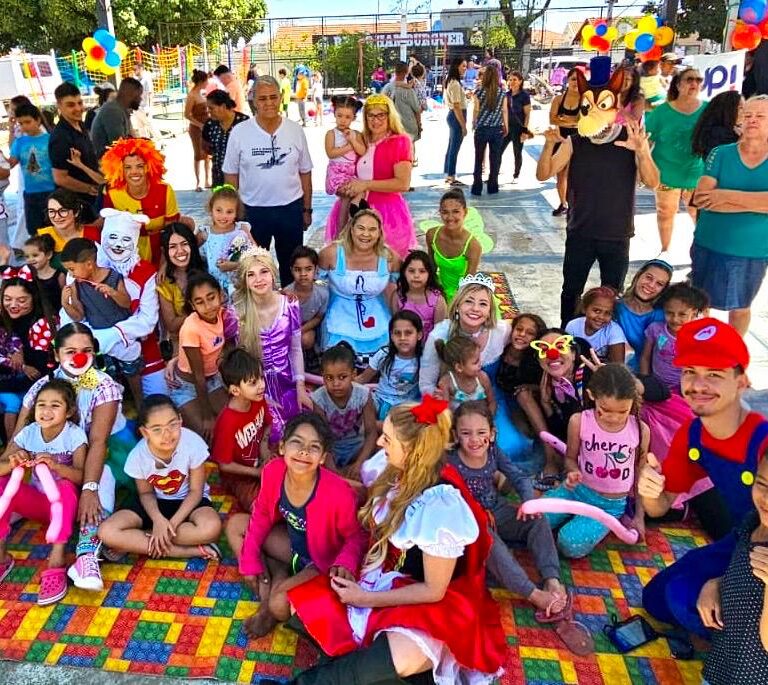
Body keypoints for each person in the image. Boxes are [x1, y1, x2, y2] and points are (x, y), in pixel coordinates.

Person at [286, 398, 507, 685]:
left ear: (412, 450)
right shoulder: (393, 472)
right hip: (381, 575)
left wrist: (365, 599)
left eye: (387, 439)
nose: (379, 442)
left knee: (400, 656)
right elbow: (367, 516)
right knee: (302, 607)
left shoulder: (440, 505)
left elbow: (433, 591)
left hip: (427, 601)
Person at [638, 318, 768, 637]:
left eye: (714, 374)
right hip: (743, 538)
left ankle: (745, 653)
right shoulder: (694, 433)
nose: (698, 385)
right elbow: (659, 507)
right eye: (690, 372)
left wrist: (725, 582)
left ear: (741, 381)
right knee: (656, 598)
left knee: (689, 602)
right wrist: (650, 489)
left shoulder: (763, 439)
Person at [447, 401, 588, 650]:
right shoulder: (449, 461)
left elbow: (518, 477)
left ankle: (552, 578)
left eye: (481, 433)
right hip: (469, 521)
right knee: (490, 544)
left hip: (497, 510)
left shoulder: (493, 452)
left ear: (492, 434)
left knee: (537, 519)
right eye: (466, 433)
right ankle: (533, 594)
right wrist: (477, 515)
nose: (474, 440)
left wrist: (528, 502)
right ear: (456, 435)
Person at [536, 56, 660, 327]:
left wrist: (642, 152)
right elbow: (544, 173)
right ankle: (568, 332)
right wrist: (549, 145)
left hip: (616, 233)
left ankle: (606, 339)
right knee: (571, 290)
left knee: (612, 294)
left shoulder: (630, 139)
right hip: (580, 230)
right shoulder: (576, 141)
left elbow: (652, 182)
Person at [14, 323, 137, 593]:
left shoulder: (103, 386)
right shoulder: (41, 388)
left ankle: (86, 555)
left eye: (86, 350)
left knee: (101, 481)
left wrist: (90, 488)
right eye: (71, 351)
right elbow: (17, 438)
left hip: (105, 455)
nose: (79, 357)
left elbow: (98, 442)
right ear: (57, 354)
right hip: (56, 463)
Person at [236, 412, 367, 638]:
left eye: (314, 447)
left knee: (279, 606)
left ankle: (268, 604)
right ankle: (278, 573)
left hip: (319, 560)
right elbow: (263, 514)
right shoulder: (273, 471)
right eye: (297, 442)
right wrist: (249, 558)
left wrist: (346, 560)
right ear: (282, 447)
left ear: (323, 457)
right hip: (291, 544)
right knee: (235, 525)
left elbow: (357, 535)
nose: (304, 452)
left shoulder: (337, 493)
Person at [98, 394, 222, 560]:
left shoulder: (193, 443)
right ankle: (192, 551)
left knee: (211, 528)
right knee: (106, 532)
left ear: (180, 420)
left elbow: (195, 491)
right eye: (157, 429)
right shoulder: (138, 456)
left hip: (189, 501)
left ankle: (138, 539)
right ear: (144, 432)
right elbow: (145, 494)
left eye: (172, 424)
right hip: (154, 504)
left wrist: (169, 525)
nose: (167, 434)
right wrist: (158, 520)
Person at [544, 363, 649, 558]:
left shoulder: (640, 429)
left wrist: (639, 515)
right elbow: (570, 459)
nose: (614, 418)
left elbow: (641, 473)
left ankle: (590, 524)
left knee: (569, 545)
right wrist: (572, 472)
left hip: (608, 506)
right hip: (577, 491)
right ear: (592, 396)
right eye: (605, 410)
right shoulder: (579, 421)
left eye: (622, 411)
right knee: (535, 520)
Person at [421, 274, 530, 460]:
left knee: (510, 446)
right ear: (457, 305)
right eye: (469, 301)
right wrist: (447, 411)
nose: (475, 309)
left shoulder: (501, 331)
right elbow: (425, 383)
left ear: (490, 311)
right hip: (451, 400)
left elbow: (528, 337)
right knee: (439, 449)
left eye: (482, 304)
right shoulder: (439, 335)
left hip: (488, 400)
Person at [0, 379, 86, 605]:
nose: (46, 411)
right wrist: (13, 462)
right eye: (41, 404)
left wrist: (57, 466)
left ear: (69, 412)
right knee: (3, 484)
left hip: (69, 507)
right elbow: (1, 466)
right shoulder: (29, 433)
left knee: (65, 486)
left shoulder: (74, 435)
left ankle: (56, 561)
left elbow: (82, 477)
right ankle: (1, 557)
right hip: (41, 506)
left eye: (55, 405)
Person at [223, 75, 313, 287]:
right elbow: (230, 174)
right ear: (253, 100)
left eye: (273, 97)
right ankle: (257, 316)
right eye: (262, 99)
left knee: (291, 266)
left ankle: (289, 312)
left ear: (281, 97)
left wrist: (307, 209)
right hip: (252, 210)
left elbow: (305, 172)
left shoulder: (295, 130)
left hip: (290, 209)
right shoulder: (239, 132)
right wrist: (233, 213)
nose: (269, 103)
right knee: (252, 267)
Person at [690, 95, 768, 336]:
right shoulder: (720, 153)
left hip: (752, 250)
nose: (752, 120)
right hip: (708, 243)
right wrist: (756, 201)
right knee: (700, 304)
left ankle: (732, 356)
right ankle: (699, 349)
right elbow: (702, 198)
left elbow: (714, 197)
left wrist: (723, 195)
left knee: (742, 306)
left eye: (760, 115)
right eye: (747, 115)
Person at [79, 208, 168, 395]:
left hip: (142, 347)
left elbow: (148, 320)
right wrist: (91, 337)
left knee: (160, 398)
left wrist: (111, 335)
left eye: (126, 239)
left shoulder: (145, 271)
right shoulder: (88, 266)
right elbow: (74, 313)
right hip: (93, 348)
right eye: (112, 237)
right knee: (90, 394)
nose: (118, 245)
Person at [701, 456, 768, 685]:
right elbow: (740, 570)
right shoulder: (753, 523)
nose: (767, 499)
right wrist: (716, 584)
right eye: (762, 484)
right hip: (722, 665)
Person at [323, 94, 415, 259]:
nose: (375, 120)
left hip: (387, 215)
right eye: (371, 115)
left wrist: (365, 185)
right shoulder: (361, 139)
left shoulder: (400, 141)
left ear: (390, 116)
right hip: (354, 211)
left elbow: (403, 183)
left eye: (381, 115)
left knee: (385, 270)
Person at [233, 247, 310, 441]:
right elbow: (235, 358)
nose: (258, 279)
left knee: (302, 428)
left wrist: (300, 386)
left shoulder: (290, 304)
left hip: (288, 381)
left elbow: (295, 348)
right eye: (251, 275)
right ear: (245, 280)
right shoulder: (236, 313)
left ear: (273, 273)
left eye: (264, 272)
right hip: (256, 388)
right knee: (271, 435)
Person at [60, 238, 142, 404]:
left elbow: (127, 303)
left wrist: (112, 293)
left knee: (133, 374)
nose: (71, 274)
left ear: (89, 264)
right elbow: (80, 316)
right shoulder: (76, 284)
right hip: (102, 342)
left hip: (122, 337)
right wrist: (65, 304)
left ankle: (141, 405)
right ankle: (117, 408)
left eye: (72, 269)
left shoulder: (113, 277)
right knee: (109, 378)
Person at [318, 209, 398, 362]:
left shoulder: (390, 257)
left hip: (378, 314)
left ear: (380, 232)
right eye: (361, 228)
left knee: (384, 355)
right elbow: (315, 285)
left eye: (372, 229)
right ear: (351, 229)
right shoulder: (331, 253)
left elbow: (400, 289)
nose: (366, 234)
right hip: (338, 312)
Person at [100, 137, 191, 265]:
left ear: (148, 167)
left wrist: (165, 263)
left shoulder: (164, 190)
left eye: (140, 166)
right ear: (120, 170)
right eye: (128, 167)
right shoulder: (112, 194)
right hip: (127, 256)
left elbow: (171, 230)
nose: (134, 172)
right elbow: (110, 232)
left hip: (162, 252)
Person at [645, 66, 705, 255]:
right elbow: (646, 140)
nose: (694, 83)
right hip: (666, 173)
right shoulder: (661, 112)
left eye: (698, 80)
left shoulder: (708, 110)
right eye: (689, 79)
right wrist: (642, 166)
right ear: (678, 85)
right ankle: (665, 252)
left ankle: (703, 251)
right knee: (665, 213)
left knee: (698, 214)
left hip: (696, 174)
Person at [169, 271, 229, 441]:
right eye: (199, 302)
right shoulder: (191, 328)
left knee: (232, 426)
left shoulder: (223, 314)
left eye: (211, 297)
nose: (208, 306)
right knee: (211, 439)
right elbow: (198, 376)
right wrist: (207, 415)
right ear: (192, 305)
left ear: (220, 294)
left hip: (213, 379)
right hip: (188, 387)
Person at [211, 348, 271, 512]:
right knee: (263, 508)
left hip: (260, 461)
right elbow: (224, 465)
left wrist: (264, 449)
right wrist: (257, 473)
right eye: (253, 383)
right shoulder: (227, 422)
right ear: (235, 390)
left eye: (261, 378)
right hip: (239, 478)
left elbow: (267, 424)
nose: (261, 386)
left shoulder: (258, 400)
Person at [0, 267, 57, 439]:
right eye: (7, 299)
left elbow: (41, 374)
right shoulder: (3, 318)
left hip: (32, 388)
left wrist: (21, 363)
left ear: (34, 298)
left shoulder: (43, 325)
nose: (13, 305)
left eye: (21, 300)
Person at [311, 342, 377, 475]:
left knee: (381, 451)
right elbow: (322, 438)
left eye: (342, 377)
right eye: (329, 378)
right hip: (331, 450)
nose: (336, 384)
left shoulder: (363, 394)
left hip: (357, 447)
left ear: (353, 374)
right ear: (322, 377)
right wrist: (334, 471)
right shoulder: (319, 399)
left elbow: (371, 432)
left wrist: (359, 463)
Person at [639, 282, 709, 394]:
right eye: (669, 313)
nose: (675, 319)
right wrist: (645, 382)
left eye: (682, 314)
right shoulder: (656, 329)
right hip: (657, 386)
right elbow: (645, 357)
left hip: (686, 390)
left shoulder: (699, 337)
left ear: (693, 313)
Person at [357, 310, 424, 421]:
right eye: (397, 333)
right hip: (381, 401)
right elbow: (363, 378)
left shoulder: (425, 358)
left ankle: (380, 427)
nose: (402, 338)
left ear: (419, 335)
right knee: (363, 399)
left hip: (408, 407)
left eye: (408, 333)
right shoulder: (383, 354)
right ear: (391, 336)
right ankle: (372, 429)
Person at [48, 82, 100, 222]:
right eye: (71, 105)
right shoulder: (60, 137)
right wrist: (89, 188)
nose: (78, 108)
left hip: (92, 201)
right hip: (76, 205)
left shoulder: (79, 124)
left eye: (79, 103)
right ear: (59, 106)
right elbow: (60, 178)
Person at [614, 258, 673, 370]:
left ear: (663, 289)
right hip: (617, 370)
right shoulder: (616, 306)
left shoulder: (663, 316)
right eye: (648, 277)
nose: (651, 285)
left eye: (659, 284)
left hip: (650, 374)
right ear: (638, 276)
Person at [157, 223, 205, 355]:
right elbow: (172, 326)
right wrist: (198, 308)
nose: (180, 251)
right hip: (183, 345)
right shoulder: (164, 283)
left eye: (184, 244)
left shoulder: (207, 269)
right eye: (172, 247)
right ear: (165, 251)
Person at [426, 189, 481, 302]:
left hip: (462, 294)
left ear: (465, 212)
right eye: (445, 212)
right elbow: (431, 268)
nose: (450, 217)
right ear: (440, 212)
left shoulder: (473, 245)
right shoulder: (432, 235)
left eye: (456, 211)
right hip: (439, 290)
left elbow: (468, 283)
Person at [8, 103, 56, 234]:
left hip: (51, 191)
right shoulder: (19, 142)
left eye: (28, 122)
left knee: (55, 229)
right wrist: (11, 130)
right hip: (31, 194)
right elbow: (11, 163)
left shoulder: (50, 139)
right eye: (21, 123)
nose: (24, 126)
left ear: (38, 120)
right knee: (35, 231)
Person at [199, 184, 254, 294]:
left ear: (236, 213)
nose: (223, 216)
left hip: (240, 287)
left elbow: (257, 256)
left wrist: (234, 265)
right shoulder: (205, 233)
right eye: (219, 210)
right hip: (214, 289)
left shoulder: (241, 230)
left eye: (229, 212)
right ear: (211, 209)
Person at [324, 95, 366, 228]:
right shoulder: (331, 134)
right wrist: (348, 146)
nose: (343, 120)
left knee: (360, 191)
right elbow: (331, 153)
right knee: (347, 196)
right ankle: (341, 233)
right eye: (339, 115)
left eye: (347, 117)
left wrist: (353, 140)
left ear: (353, 117)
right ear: (334, 114)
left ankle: (351, 221)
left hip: (351, 174)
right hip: (337, 173)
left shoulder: (356, 134)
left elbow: (362, 151)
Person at [390, 249, 447, 340]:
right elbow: (395, 327)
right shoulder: (398, 297)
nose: (416, 275)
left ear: (430, 274)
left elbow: (439, 332)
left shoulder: (437, 300)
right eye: (411, 271)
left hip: (429, 348)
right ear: (404, 272)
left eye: (422, 271)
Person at [547, 68, 581, 216]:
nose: (575, 82)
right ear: (567, 80)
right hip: (560, 140)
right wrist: (573, 122)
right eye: (573, 79)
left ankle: (575, 204)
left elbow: (583, 121)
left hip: (578, 141)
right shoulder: (558, 99)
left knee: (576, 175)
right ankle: (563, 203)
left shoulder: (585, 99)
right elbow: (552, 119)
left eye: (578, 79)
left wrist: (564, 120)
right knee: (561, 175)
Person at [284, 246, 329, 355]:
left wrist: (300, 331)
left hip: (307, 327)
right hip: (288, 327)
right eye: (298, 269)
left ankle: (309, 355)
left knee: (306, 339)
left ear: (316, 269)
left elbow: (318, 317)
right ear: (291, 270)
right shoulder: (286, 293)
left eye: (308, 269)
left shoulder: (322, 293)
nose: (303, 274)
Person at [471, 63, 508, 196]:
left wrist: (474, 122)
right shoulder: (502, 93)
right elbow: (504, 110)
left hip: (482, 128)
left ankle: (477, 186)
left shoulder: (479, 91)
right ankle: (493, 185)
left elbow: (476, 109)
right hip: (497, 129)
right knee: (495, 158)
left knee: (479, 158)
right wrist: (506, 126)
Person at [565, 286, 627, 363]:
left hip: (603, 373)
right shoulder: (573, 326)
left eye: (608, 313)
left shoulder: (614, 331)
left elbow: (618, 367)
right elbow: (567, 357)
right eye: (596, 311)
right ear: (584, 308)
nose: (601, 317)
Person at [201, 90, 249, 188]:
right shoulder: (210, 124)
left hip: (242, 180)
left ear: (223, 106)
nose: (208, 111)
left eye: (211, 108)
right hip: (218, 178)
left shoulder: (244, 122)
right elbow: (205, 147)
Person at [436, 335, 496, 413]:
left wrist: (489, 421)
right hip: (458, 421)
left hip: (482, 418)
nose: (480, 364)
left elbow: (492, 402)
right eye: (475, 362)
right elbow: (446, 411)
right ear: (459, 367)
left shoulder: (482, 378)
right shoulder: (446, 382)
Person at [90, 77, 143, 158]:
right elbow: (119, 146)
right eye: (138, 96)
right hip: (107, 162)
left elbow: (130, 137)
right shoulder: (113, 111)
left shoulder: (121, 109)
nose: (140, 99)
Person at [37, 189, 87, 263]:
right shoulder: (42, 237)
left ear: (76, 212)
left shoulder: (92, 234)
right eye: (51, 211)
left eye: (63, 211)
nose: (57, 217)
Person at [691, 91, 743, 160]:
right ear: (728, 110)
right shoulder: (719, 134)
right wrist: (743, 139)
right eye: (741, 107)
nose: (745, 111)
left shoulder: (732, 131)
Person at [382, 61, 422, 148]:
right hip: (408, 128)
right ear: (406, 72)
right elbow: (417, 111)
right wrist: (419, 125)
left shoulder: (386, 88)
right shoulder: (409, 90)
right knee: (409, 154)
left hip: (391, 128)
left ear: (395, 72)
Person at [503, 70, 532, 183]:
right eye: (510, 79)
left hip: (518, 129)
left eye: (515, 80)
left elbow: (527, 113)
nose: (512, 82)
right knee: (498, 151)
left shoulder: (524, 96)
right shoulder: (507, 95)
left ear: (520, 81)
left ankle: (516, 175)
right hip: (507, 127)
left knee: (517, 152)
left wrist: (525, 130)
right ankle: (494, 173)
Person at [184, 69, 211, 192]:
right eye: (206, 80)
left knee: (206, 154)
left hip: (205, 126)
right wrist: (199, 124)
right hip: (196, 128)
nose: (207, 83)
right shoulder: (192, 95)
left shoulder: (201, 93)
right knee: (198, 154)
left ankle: (207, 180)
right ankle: (198, 181)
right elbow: (187, 114)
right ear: (201, 81)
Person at [23, 234, 66, 312]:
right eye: (27, 256)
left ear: (49, 255)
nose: (30, 259)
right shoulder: (26, 277)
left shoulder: (60, 276)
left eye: (35, 255)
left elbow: (65, 300)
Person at [443, 57, 468, 186]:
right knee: (454, 148)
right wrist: (463, 125)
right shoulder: (454, 83)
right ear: (457, 66)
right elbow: (457, 106)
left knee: (451, 146)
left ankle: (448, 174)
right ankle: (451, 175)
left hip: (455, 115)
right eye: (463, 66)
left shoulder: (453, 82)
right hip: (456, 115)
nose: (465, 69)